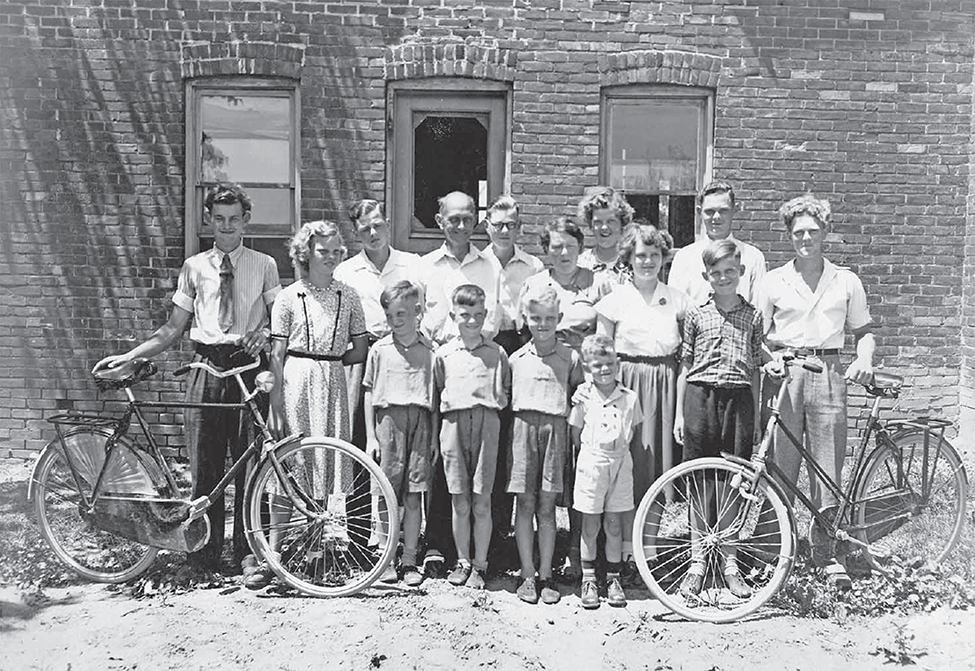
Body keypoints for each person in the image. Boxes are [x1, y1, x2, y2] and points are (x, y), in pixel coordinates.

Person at [93, 183, 281, 574]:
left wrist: (264, 334)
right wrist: (130, 356)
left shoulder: (264, 264)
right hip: (205, 371)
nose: (226, 227)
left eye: (234, 219)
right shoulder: (194, 267)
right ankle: (203, 556)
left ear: (246, 220)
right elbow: (173, 328)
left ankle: (248, 556)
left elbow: (279, 321)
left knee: (249, 467)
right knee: (206, 468)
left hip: (246, 371)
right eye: (219, 219)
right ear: (209, 220)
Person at [757, 194, 875, 589]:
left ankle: (825, 552)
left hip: (829, 371)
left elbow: (864, 333)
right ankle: (778, 550)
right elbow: (757, 335)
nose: (805, 238)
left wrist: (865, 359)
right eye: (797, 232)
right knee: (780, 463)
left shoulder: (846, 281)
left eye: (812, 230)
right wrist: (767, 359)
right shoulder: (774, 280)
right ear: (789, 235)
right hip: (786, 372)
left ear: (825, 232)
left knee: (827, 466)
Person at [246, 220, 369, 589]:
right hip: (295, 381)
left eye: (336, 251)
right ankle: (275, 555)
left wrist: (328, 364)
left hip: (331, 383)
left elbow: (360, 348)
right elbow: (278, 355)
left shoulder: (349, 296)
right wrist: (277, 406)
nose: (330, 257)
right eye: (322, 250)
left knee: (324, 467)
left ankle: (314, 554)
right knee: (290, 468)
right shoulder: (288, 297)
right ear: (305, 252)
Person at [594, 223, 691, 583]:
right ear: (629, 260)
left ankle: (644, 555)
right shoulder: (614, 299)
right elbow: (600, 353)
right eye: (640, 256)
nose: (647, 262)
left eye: (654, 255)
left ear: (663, 258)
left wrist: (679, 407)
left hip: (664, 387)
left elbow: (686, 356)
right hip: (625, 385)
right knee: (623, 469)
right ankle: (615, 554)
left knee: (653, 469)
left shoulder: (679, 299)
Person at [519, 216, 612, 581]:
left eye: (570, 246)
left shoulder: (597, 282)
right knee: (546, 478)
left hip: (588, 383)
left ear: (580, 247)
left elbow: (607, 339)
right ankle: (543, 556)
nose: (563, 252)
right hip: (548, 383)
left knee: (584, 469)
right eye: (555, 246)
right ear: (547, 249)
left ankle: (581, 551)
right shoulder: (534, 284)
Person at [417, 190, 503, 577]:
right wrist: (446, 349)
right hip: (440, 363)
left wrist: (471, 345)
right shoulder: (425, 266)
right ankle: (437, 545)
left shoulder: (489, 266)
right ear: (440, 221)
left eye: (469, 218)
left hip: (479, 366)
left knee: (483, 471)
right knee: (442, 459)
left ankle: (486, 552)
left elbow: (494, 319)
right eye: (454, 218)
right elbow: (421, 320)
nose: (462, 225)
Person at [673, 238, 764, 599]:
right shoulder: (696, 314)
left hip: (738, 400)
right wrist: (680, 413)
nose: (723, 278)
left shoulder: (753, 316)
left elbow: (755, 369)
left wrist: (754, 417)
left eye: (730, 272)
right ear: (706, 276)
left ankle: (729, 562)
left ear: (740, 272)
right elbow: (685, 366)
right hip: (700, 397)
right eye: (716, 273)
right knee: (698, 482)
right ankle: (696, 561)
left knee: (732, 484)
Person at [507, 285, 584, 605]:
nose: (542, 324)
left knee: (548, 507)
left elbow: (579, 396)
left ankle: (546, 575)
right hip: (523, 432)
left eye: (549, 318)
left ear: (559, 319)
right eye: (536, 318)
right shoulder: (515, 359)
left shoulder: (570, 356)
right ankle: (527, 574)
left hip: (555, 433)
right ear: (525, 319)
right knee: (524, 504)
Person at [480, 194, 545, 560]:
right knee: (487, 437)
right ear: (487, 225)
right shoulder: (476, 263)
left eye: (512, 225)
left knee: (512, 441)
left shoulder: (533, 266)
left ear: (520, 227)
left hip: (518, 345)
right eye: (499, 224)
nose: (505, 231)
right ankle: (482, 535)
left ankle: (505, 534)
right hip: (485, 348)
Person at [434, 284, 511, 590]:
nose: (472, 321)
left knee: (482, 501)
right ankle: (462, 560)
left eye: (478, 315)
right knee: (459, 500)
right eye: (465, 315)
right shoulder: (444, 354)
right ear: (454, 315)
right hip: (453, 425)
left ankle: (480, 564)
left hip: (487, 424)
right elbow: (439, 388)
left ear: (486, 315)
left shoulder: (496, 352)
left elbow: (503, 388)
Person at [362, 280, 438, 587]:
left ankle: (409, 559)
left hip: (420, 423)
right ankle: (386, 556)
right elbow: (368, 393)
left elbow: (435, 399)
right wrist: (370, 435)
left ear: (418, 311)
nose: (396, 321)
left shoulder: (431, 350)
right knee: (385, 495)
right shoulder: (379, 350)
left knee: (414, 494)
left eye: (402, 313)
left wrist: (432, 438)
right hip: (387, 424)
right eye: (390, 314)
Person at [334, 199, 423, 452]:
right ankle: (357, 492)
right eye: (365, 229)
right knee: (358, 427)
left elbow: (422, 311)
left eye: (377, 225)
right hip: (364, 354)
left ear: (387, 224)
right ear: (355, 233)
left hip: (403, 353)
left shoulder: (412, 263)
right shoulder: (345, 272)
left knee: (400, 425)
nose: (373, 234)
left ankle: (392, 491)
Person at [570, 335, 642, 609]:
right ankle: (589, 579)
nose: (604, 369)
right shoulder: (583, 396)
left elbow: (632, 433)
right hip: (592, 463)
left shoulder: (629, 398)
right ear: (588, 368)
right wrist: (593, 455)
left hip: (620, 463)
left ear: (618, 363)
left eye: (609, 363)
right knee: (590, 524)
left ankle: (613, 578)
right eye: (597, 364)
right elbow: (576, 433)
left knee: (613, 524)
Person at [669, 181, 767, 306]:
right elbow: (676, 308)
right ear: (700, 212)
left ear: (734, 210)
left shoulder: (753, 257)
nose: (716, 217)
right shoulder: (684, 258)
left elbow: (759, 308)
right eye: (709, 211)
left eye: (723, 210)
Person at [576, 186, 634, 277]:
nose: (604, 227)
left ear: (621, 224)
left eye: (611, 221)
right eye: (598, 222)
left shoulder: (634, 264)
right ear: (591, 226)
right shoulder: (580, 264)